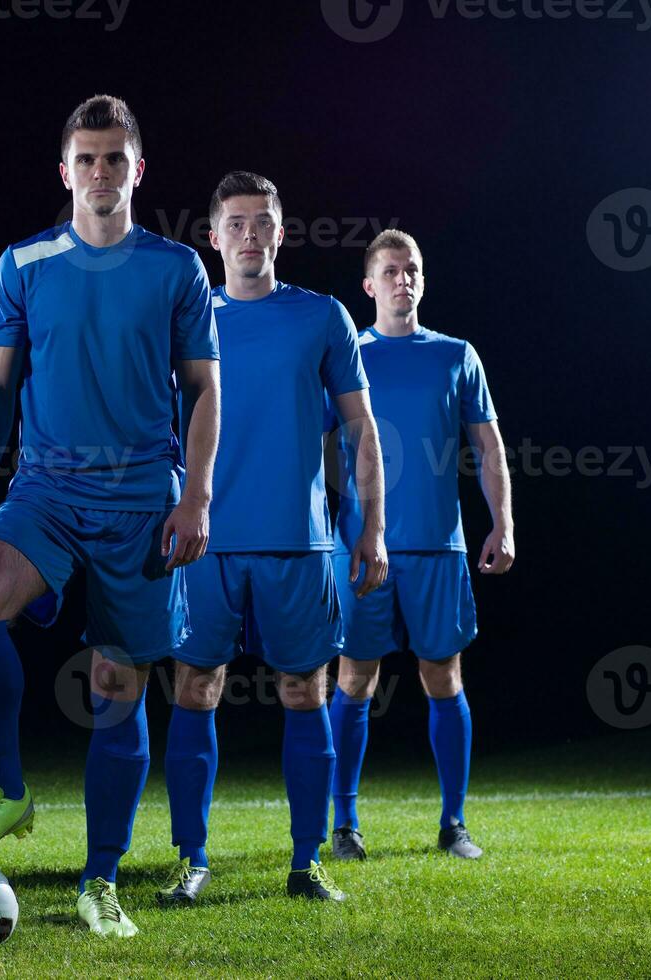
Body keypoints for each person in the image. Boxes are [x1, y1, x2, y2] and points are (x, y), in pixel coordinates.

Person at [0, 95, 221, 937]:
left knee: (114, 687)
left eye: (114, 159)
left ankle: (100, 880)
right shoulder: (22, 263)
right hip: (47, 491)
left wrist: (195, 495)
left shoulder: (177, 269)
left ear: (138, 170)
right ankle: (6, 789)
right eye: (86, 159)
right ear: (64, 172)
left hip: (141, 498)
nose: (100, 173)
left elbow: (205, 391)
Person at [156, 172, 386, 905]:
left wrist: (372, 527)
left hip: (298, 540)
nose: (249, 233)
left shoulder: (321, 316)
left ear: (280, 234)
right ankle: (191, 860)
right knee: (195, 688)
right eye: (235, 222)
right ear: (213, 236)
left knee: (302, 689)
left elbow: (359, 426)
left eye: (262, 221)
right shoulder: (186, 320)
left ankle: (305, 860)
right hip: (204, 540)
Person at [329, 229, 515, 862]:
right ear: (369, 284)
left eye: (411, 269)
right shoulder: (346, 353)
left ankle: (454, 823)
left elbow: (489, 447)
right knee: (354, 677)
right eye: (390, 270)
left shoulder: (456, 355)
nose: (402, 279)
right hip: (360, 549)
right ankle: (345, 825)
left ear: (422, 280)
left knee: (443, 676)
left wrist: (503, 523)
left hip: (440, 547)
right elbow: (318, 446)